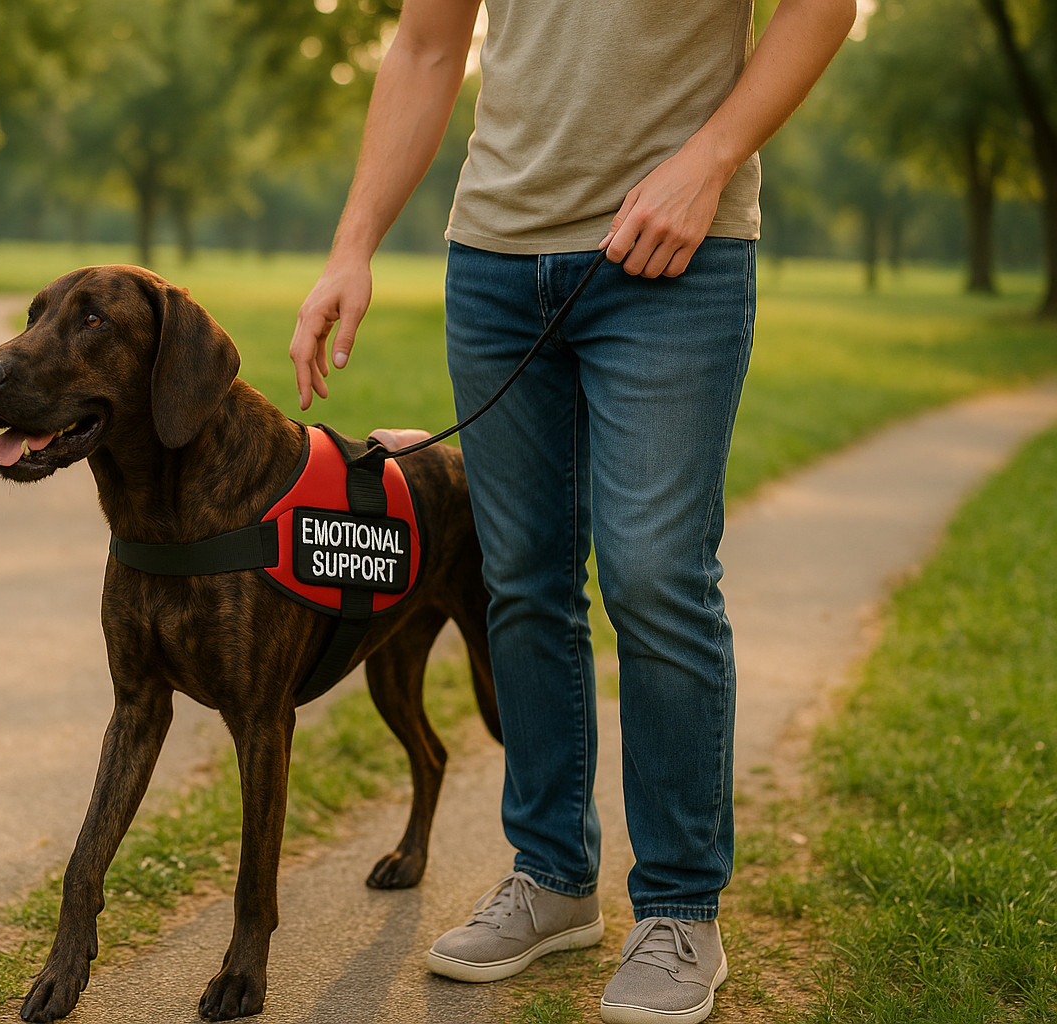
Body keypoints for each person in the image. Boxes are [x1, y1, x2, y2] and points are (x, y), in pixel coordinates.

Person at [288, 0, 855, 1020]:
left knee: (656, 574)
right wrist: (352, 245)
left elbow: (825, 6)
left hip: (676, 253)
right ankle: (551, 877)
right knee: (523, 579)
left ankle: (681, 909)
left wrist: (712, 158)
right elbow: (425, 44)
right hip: (497, 264)